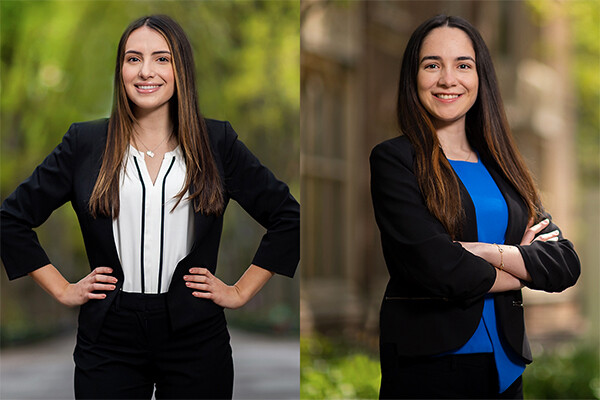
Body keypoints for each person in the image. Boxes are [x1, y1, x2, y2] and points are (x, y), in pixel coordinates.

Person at [1, 15, 299, 399]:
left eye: (162, 59)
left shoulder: (216, 142)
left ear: (181, 70)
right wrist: (62, 289)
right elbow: (11, 218)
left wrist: (240, 291)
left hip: (195, 333)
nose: (146, 71)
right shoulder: (86, 143)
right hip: (108, 336)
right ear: (121, 69)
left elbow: (287, 215)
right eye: (132, 58)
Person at [370, 14, 579, 399]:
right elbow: (438, 269)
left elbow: (565, 263)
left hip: (507, 365)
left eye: (462, 65)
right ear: (412, 77)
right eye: (432, 65)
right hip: (432, 366)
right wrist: (525, 265)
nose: (448, 79)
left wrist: (484, 251)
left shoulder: (505, 167)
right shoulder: (395, 160)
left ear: (480, 77)